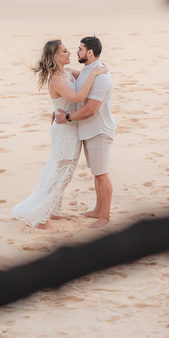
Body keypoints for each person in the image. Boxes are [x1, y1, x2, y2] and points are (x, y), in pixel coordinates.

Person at [12, 39, 108, 229]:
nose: (69, 52)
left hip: (71, 127)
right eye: (64, 51)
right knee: (61, 172)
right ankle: (42, 219)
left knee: (64, 172)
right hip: (64, 131)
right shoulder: (56, 80)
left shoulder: (68, 72)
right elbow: (79, 97)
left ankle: (53, 211)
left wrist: (98, 69)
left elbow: (86, 80)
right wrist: (95, 72)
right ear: (55, 57)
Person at [54, 36, 116, 228]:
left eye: (80, 49)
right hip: (89, 131)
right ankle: (98, 209)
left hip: (99, 131)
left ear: (90, 52)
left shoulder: (101, 78)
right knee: (97, 173)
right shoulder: (90, 70)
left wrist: (68, 117)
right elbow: (71, 75)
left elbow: (90, 110)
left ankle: (104, 217)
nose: (77, 52)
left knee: (102, 174)